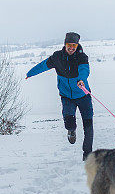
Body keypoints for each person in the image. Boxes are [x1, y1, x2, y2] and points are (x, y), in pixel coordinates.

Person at [26, 32, 93, 160]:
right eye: (69, 45)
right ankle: (71, 131)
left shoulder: (82, 57)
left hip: (83, 95)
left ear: (77, 45)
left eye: (74, 45)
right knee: (69, 122)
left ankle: (87, 155)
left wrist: (81, 79)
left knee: (88, 125)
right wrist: (30, 73)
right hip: (67, 96)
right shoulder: (57, 57)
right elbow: (43, 66)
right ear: (65, 44)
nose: (71, 48)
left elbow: (85, 70)